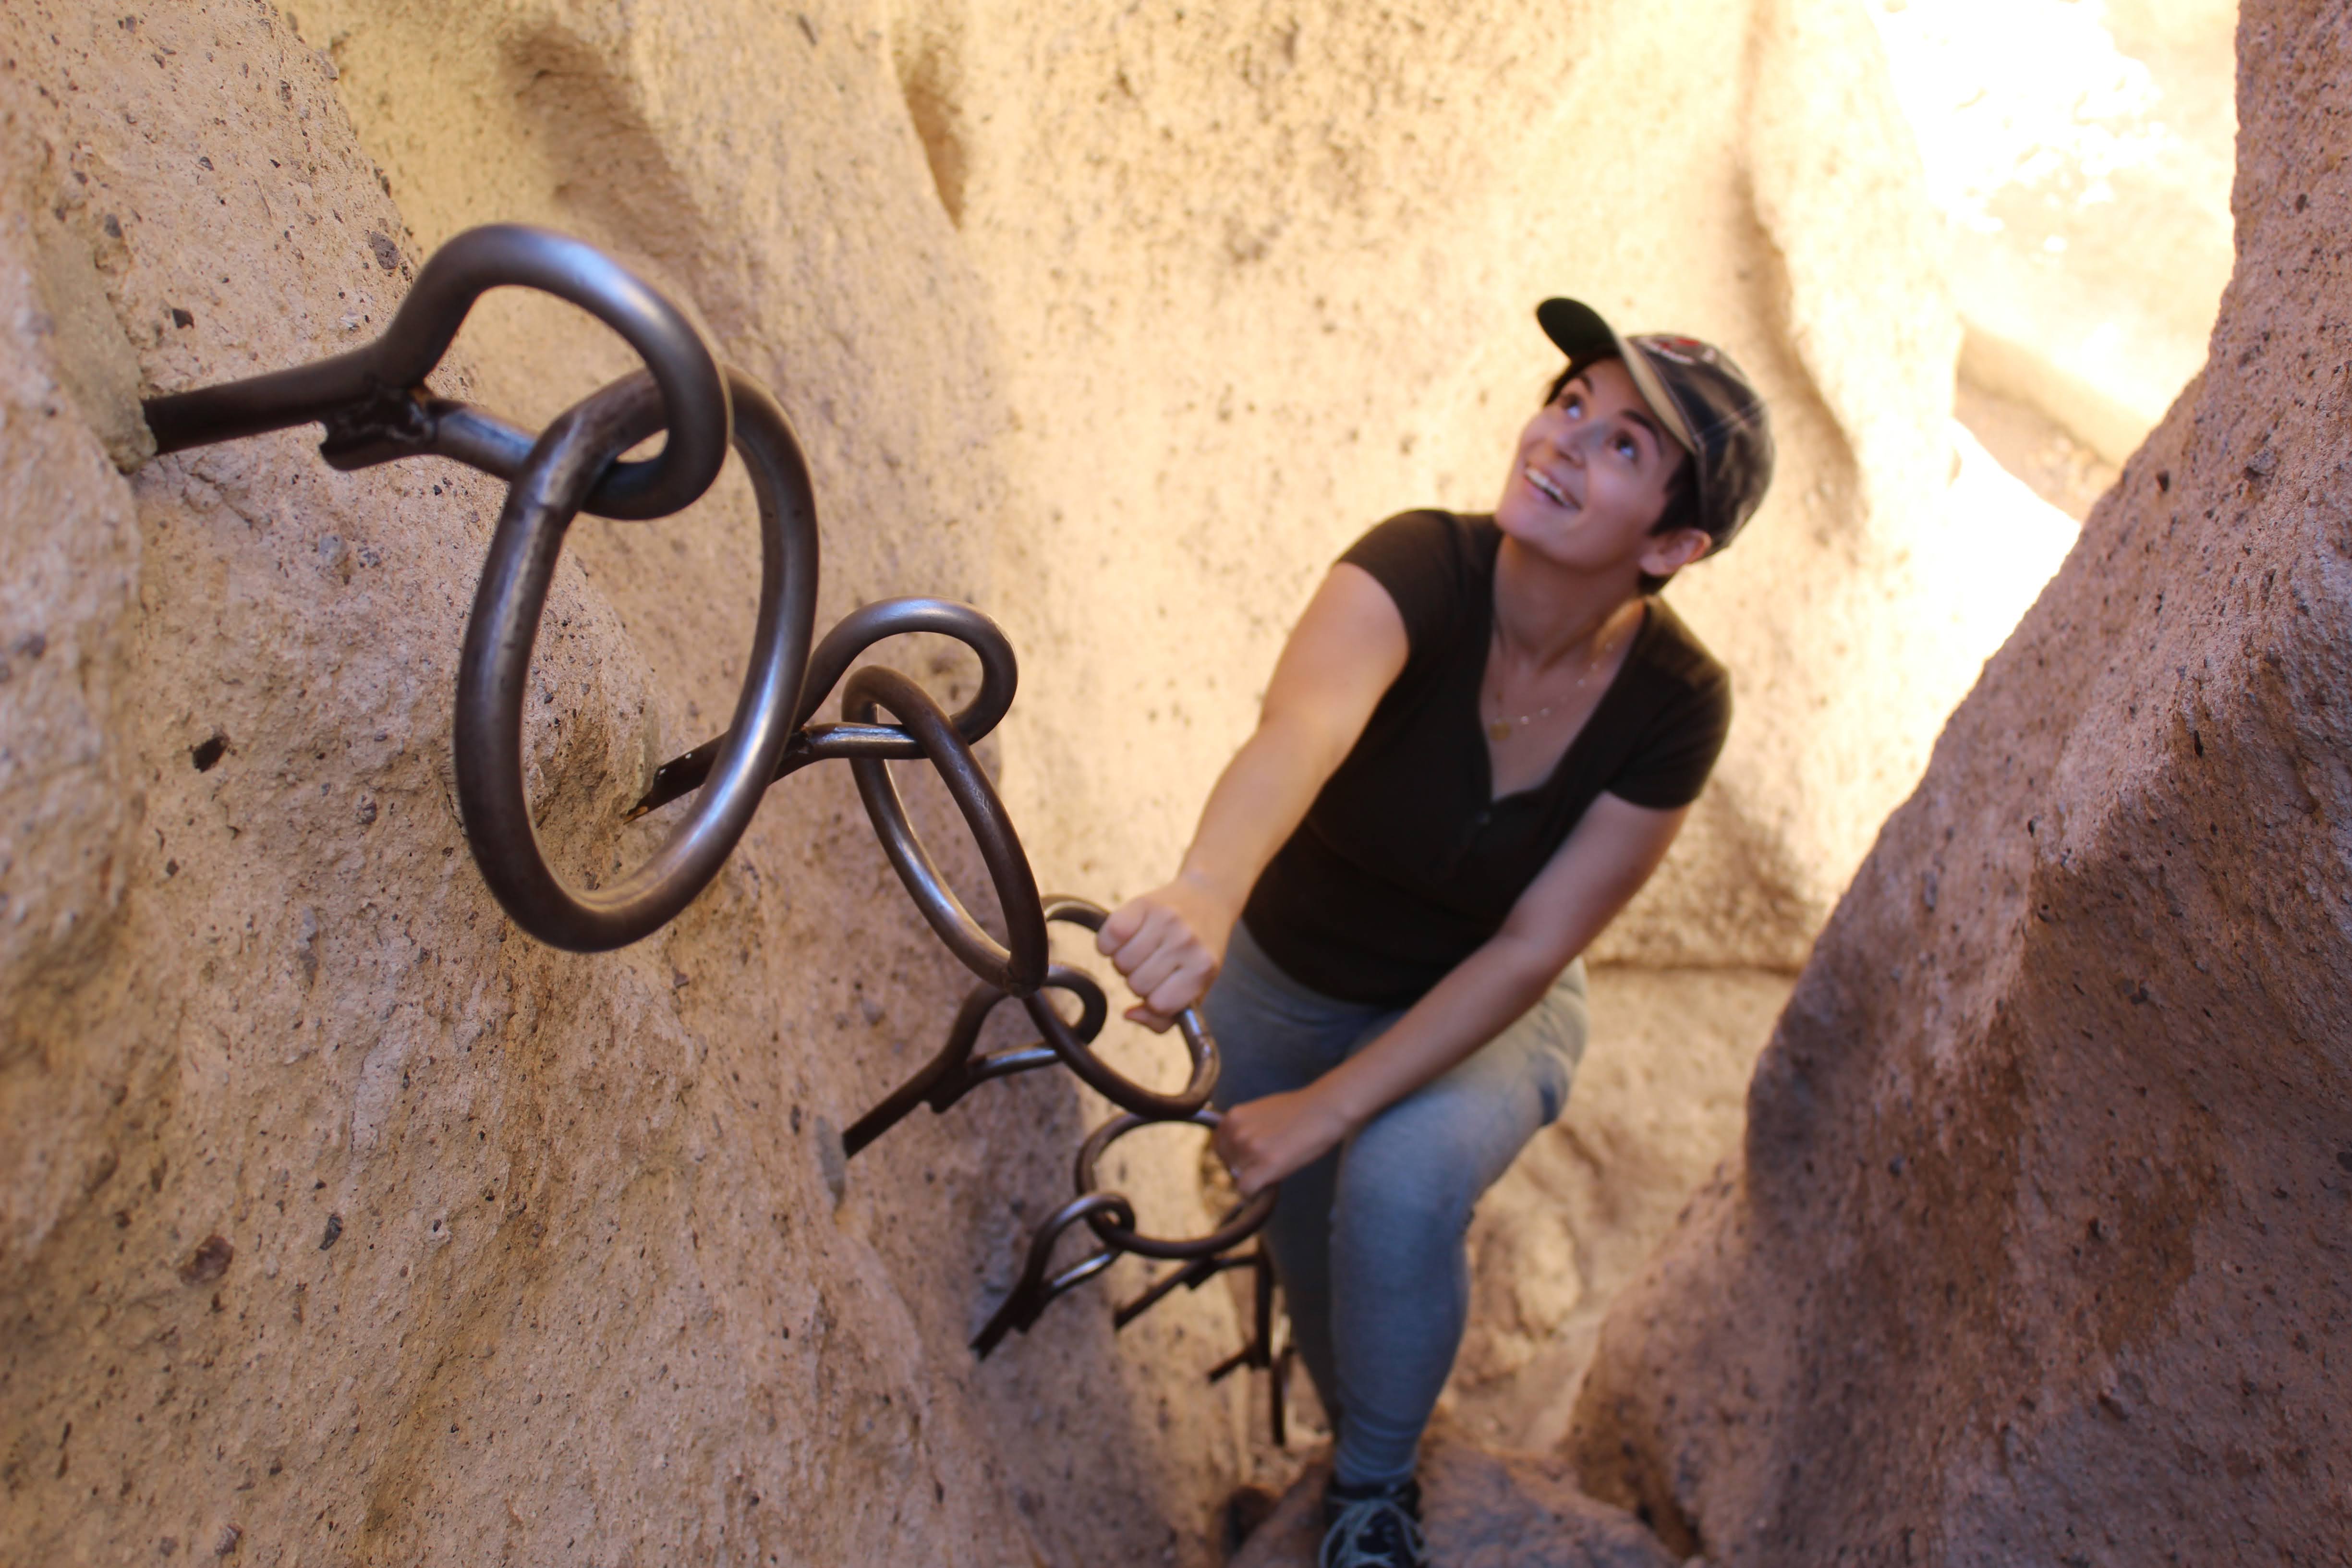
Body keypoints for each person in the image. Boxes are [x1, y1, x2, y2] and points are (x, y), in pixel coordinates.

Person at [1095, 299, 1774, 1568]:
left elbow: (1530, 948)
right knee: (1312, 1255)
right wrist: (1205, 887)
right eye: (1569, 403)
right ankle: (1356, 1430)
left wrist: (1335, 1103)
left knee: (1396, 1190)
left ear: (1676, 543)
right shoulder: (1412, 565)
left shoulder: (1678, 702)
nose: (1563, 440)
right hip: (1280, 982)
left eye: (1623, 445)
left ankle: (1371, 1495)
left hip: (1487, 1009)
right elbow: (1295, 735)